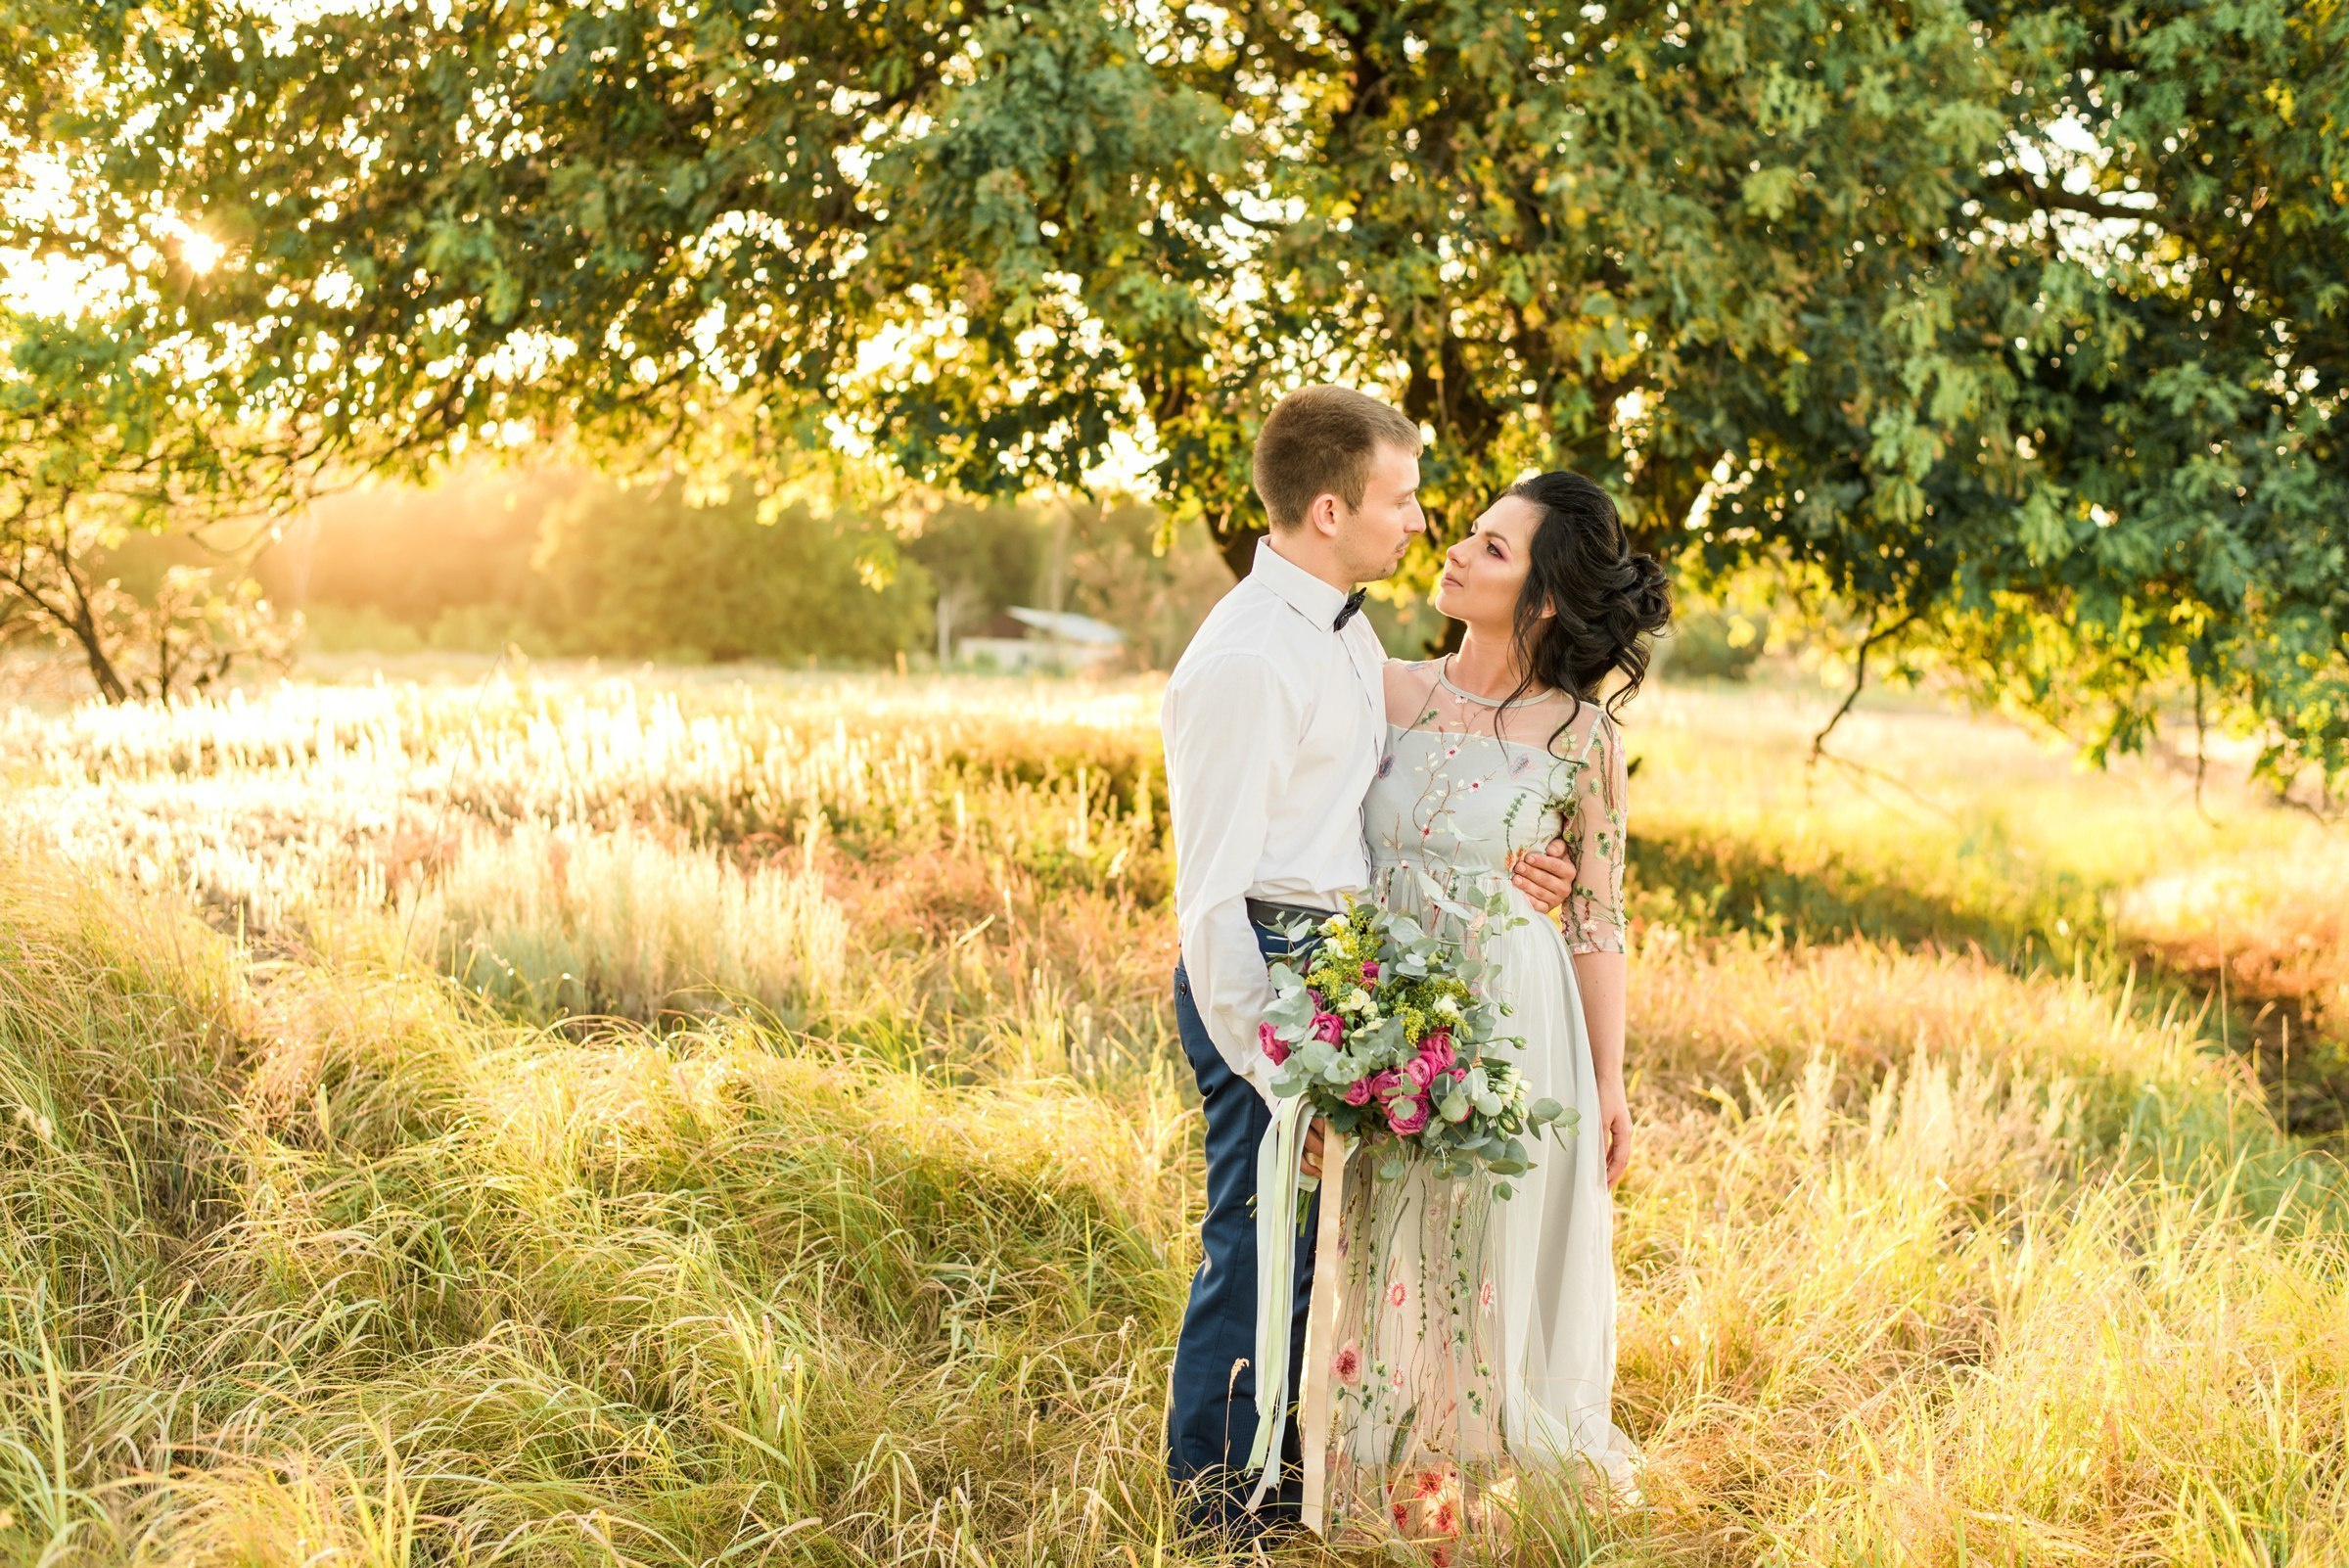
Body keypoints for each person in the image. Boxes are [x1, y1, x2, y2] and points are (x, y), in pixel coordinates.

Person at [1158, 386, 1582, 1541]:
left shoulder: (1343, 632)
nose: (1419, 521)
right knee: (1255, 1245)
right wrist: (1270, 1055)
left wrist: (1534, 865)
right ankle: (1216, 1514)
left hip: (1338, 961)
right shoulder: (1250, 658)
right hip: (1266, 964)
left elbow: (1447, 773)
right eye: (1400, 500)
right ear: (1334, 507)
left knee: (1314, 1255)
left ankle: (1284, 1489)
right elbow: (1210, 893)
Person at [1305, 469, 1668, 1555]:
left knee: (1475, 1266)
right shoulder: (1382, 686)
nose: (1457, 551)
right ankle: (1371, 1515)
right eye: (1466, 533)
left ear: (1546, 597)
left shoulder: (1580, 736)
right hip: (1384, 1016)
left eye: (1494, 548)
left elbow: (1597, 921)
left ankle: (1442, 1538)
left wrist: (1609, 1084)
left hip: (1510, 1027)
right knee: (1381, 1255)